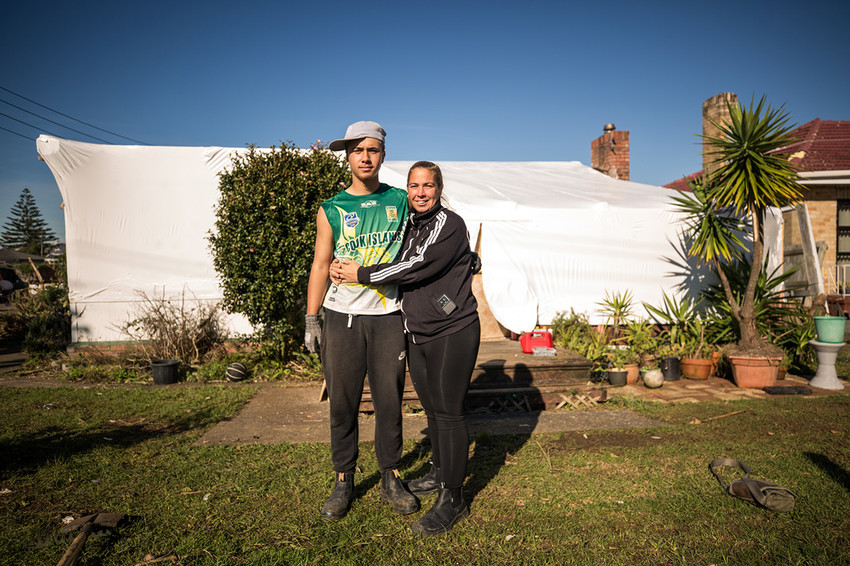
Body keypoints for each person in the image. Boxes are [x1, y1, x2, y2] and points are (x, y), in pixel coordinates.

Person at [331, 161, 480, 536]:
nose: (420, 192)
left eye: (428, 186)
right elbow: (394, 251)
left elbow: (415, 265)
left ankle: (454, 498)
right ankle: (440, 471)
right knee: (432, 408)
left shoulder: (450, 223)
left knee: (448, 412)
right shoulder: (409, 224)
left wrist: (361, 274)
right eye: (414, 186)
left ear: (439, 188)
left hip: (452, 329)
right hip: (417, 331)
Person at [305, 121, 418, 520]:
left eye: (372, 150)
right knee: (344, 402)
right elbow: (321, 264)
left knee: (389, 402)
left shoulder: (402, 200)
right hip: (342, 317)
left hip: (388, 316)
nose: (365, 157)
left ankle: (391, 474)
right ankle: (343, 479)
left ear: (383, 155)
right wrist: (311, 319)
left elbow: (433, 231)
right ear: (347, 157)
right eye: (357, 150)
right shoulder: (331, 208)